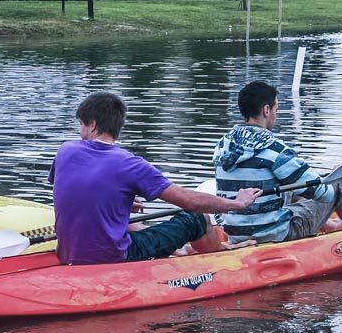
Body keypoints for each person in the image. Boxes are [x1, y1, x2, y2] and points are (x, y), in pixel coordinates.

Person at [50, 92, 261, 265]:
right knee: (196, 219)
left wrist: (112, 198)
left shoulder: (65, 151)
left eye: (81, 125)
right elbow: (189, 201)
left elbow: (75, 190)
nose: (80, 131)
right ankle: (221, 257)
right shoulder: (130, 164)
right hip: (113, 256)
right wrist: (237, 203)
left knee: (127, 223)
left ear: (93, 125)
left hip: (67, 254)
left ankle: (181, 250)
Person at [214, 81, 342, 244]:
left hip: (235, 232)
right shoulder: (272, 148)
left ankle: (331, 226)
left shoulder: (223, 145)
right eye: (276, 108)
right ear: (266, 110)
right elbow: (324, 193)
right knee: (334, 186)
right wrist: (333, 177)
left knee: (293, 189)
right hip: (272, 234)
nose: (276, 115)